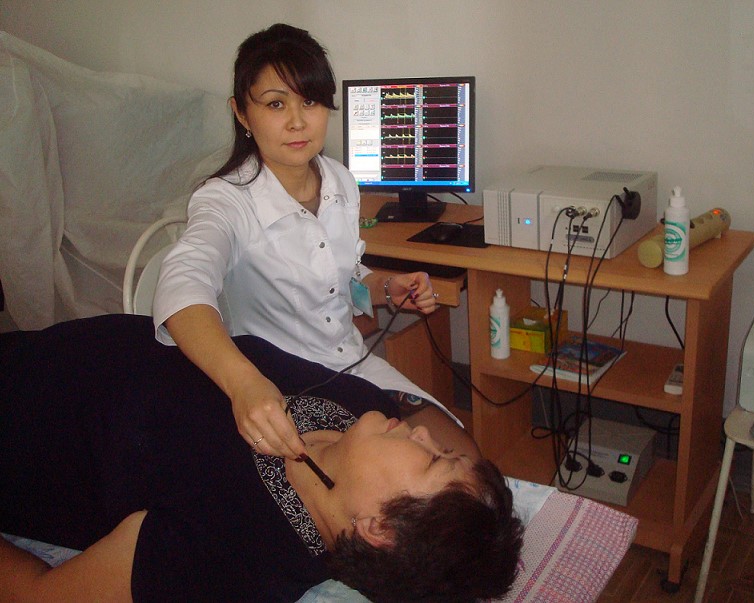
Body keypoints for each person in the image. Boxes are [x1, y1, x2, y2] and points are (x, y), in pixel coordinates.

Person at [0, 314, 523, 603]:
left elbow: (37, 596)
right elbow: (422, 416)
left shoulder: (235, 562)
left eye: (433, 460)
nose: (424, 437)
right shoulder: (363, 415)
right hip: (31, 346)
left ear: (378, 527)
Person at [151, 23, 474, 464]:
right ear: (242, 114)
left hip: (354, 364)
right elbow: (182, 283)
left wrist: (385, 287)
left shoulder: (340, 180)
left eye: (310, 101)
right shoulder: (226, 201)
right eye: (276, 104)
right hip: (284, 387)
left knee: (462, 458)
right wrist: (243, 383)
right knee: (413, 477)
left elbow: (344, 272)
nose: (298, 121)